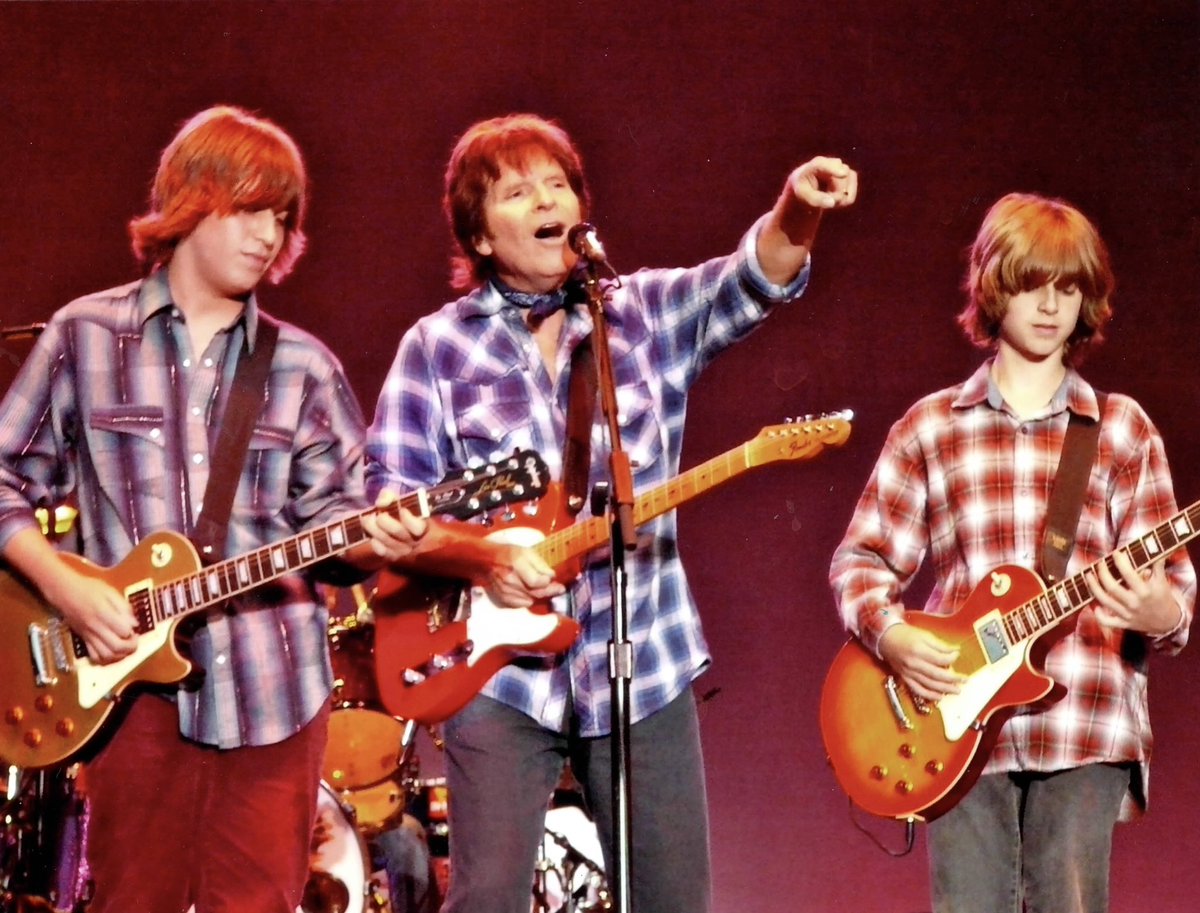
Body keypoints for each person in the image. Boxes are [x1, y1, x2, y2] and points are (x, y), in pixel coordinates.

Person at [365, 112, 857, 913]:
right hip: (500, 677)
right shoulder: (437, 347)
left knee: (671, 899)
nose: (546, 199)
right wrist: (486, 558)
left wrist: (798, 207)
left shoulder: (641, 315)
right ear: (480, 237)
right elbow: (390, 497)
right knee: (485, 895)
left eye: (557, 184)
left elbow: (752, 276)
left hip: (643, 660)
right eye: (519, 191)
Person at [0, 105, 424, 913]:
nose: (270, 233)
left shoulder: (302, 367)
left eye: (284, 215)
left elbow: (336, 530)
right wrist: (65, 587)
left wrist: (379, 537)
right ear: (191, 199)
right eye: (251, 207)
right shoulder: (86, 335)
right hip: (127, 693)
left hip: (274, 688)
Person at [829, 192, 1196, 913]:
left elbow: (1174, 583)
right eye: (1032, 282)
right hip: (952, 727)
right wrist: (894, 635)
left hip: (1082, 716)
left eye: (1069, 286)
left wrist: (1160, 607)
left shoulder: (1120, 429)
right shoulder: (931, 426)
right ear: (994, 286)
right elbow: (861, 559)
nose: (1051, 304)